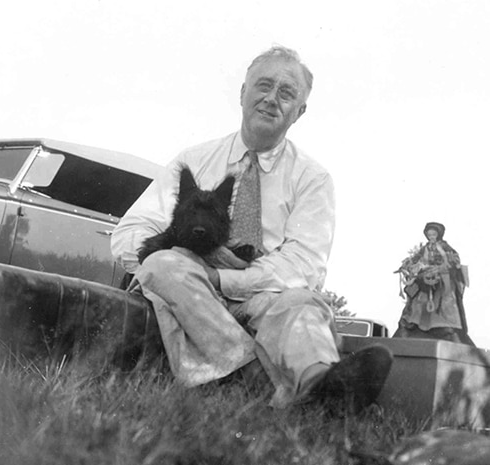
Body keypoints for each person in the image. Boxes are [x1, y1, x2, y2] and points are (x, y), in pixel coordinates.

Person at [111, 45, 393, 410]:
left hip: (265, 296)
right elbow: (130, 232)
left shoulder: (312, 178)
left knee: (302, 301)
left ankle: (322, 383)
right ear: (243, 92)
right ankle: (257, 381)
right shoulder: (193, 161)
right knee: (162, 266)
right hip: (192, 285)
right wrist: (189, 255)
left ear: (300, 112)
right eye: (263, 85)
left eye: (286, 93)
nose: (271, 99)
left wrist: (227, 279)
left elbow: (306, 263)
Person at [393, 222, 474, 345]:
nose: (431, 237)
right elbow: (414, 259)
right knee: (417, 298)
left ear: (438, 235)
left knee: (445, 300)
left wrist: (443, 267)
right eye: (429, 234)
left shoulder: (445, 247)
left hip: (442, 280)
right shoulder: (424, 248)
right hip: (425, 278)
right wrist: (410, 266)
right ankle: (413, 323)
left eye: (433, 234)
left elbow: (455, 259)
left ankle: (445, 325)